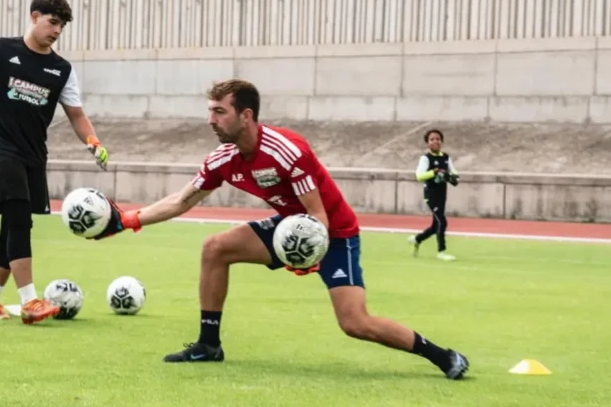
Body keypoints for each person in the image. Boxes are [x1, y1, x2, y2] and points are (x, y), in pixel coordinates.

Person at [92, 79, 470, 380]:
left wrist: (309, 256)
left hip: (333, 234)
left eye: (219, 111)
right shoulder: (223, 158)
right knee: (215, 249)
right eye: (210, 111)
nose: (211, 120)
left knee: (355, 323)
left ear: (246, 115)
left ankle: (443, 356)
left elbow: (317, 214)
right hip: (289, 228)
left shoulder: (287, 150)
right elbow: (182, 200)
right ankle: (208, 345)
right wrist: (126, 220)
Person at [0, 0, 110, 325]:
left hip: (33, 155)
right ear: (34, 17)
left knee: (13, 223)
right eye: (53, 22)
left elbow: (76, 114)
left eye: (62, 26)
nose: (57, 30)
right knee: (19, 218)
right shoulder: (1, 48)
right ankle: (29, 300)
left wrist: (92, 140)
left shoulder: (62, 69)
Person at [408, 128, 460, 261]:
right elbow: (419, 176)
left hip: (442, 194)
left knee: (435, 225)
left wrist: (452, 177)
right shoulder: (425, 158)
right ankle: (441, 252)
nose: (435, 141)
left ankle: (417, 239)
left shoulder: (446, 157)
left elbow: (454, 173)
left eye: (438, 139)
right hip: (431, 195)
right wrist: (434, 172)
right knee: (442, 221)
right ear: (428, 143)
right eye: (432, 139)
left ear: (441, 141)